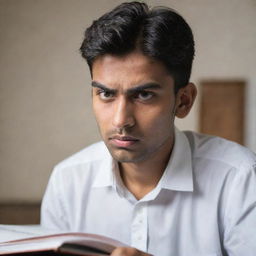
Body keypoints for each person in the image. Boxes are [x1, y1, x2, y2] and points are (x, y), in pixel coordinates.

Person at [41, 2, 256, 256]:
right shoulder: (67, 182)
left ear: (183, 101)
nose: (121, 120)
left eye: (143, 95)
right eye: (106, 93)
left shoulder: (240, 179)